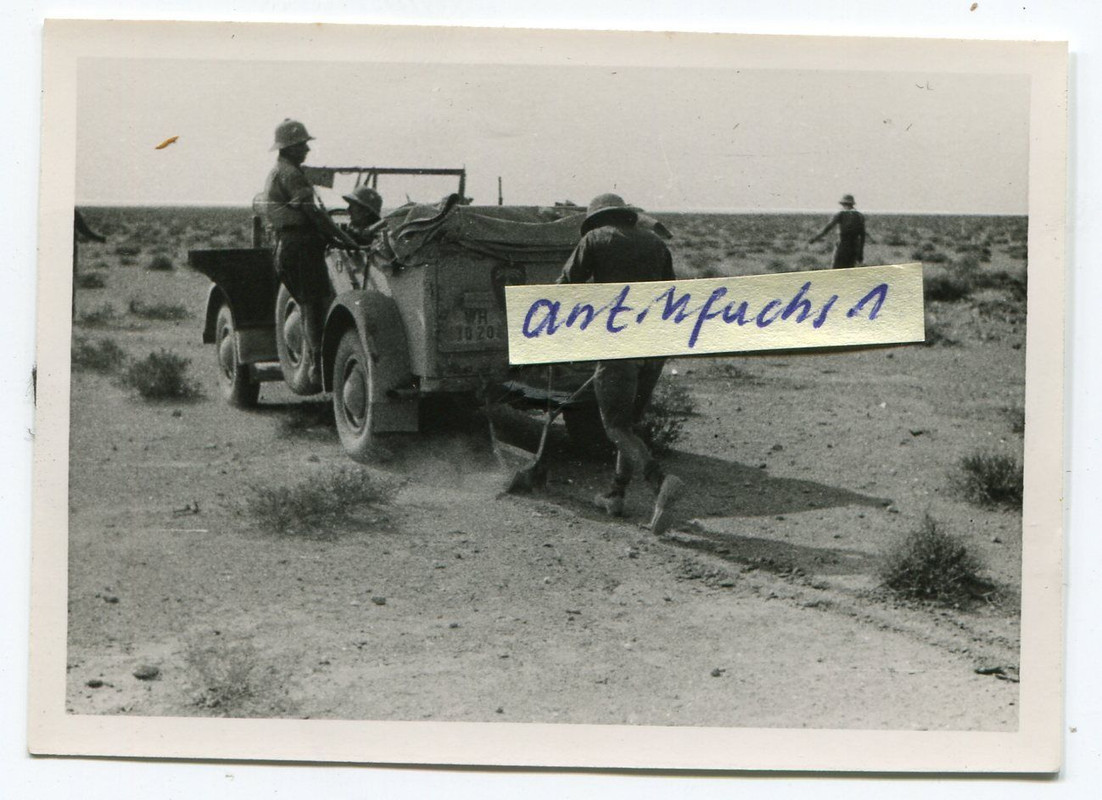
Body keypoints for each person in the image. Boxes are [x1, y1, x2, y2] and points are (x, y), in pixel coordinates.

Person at [558, 193, 685, 536]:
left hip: (618, 342)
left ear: (598, 219)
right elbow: (671, 294)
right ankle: (615, 494)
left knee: (615, 427)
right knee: (629, 424)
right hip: (654, 345)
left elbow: (565, 287)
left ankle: (660, 483)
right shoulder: (656, 243)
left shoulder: (595, 239)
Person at [261, 118, 357, 381]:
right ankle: (317, 365)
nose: (306, 149)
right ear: (290, 147)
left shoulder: (282, 170)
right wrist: (341, 237)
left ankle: (317, 363)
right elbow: (311, 213)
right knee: (313, 305)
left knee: (309, 304)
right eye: (302, 144)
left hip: (290, 244)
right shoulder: (290, 174)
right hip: (300, 246)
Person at [809, 193, 868, 269]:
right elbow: (862, 236)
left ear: (843, 204)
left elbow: (827, 228)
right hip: (854, 248)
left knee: (836, 272)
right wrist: (860, 253)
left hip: (842, 247)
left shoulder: (840, 214)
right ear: (852, 204)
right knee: (849, 273)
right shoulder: (860, 216)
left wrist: (814, 238)